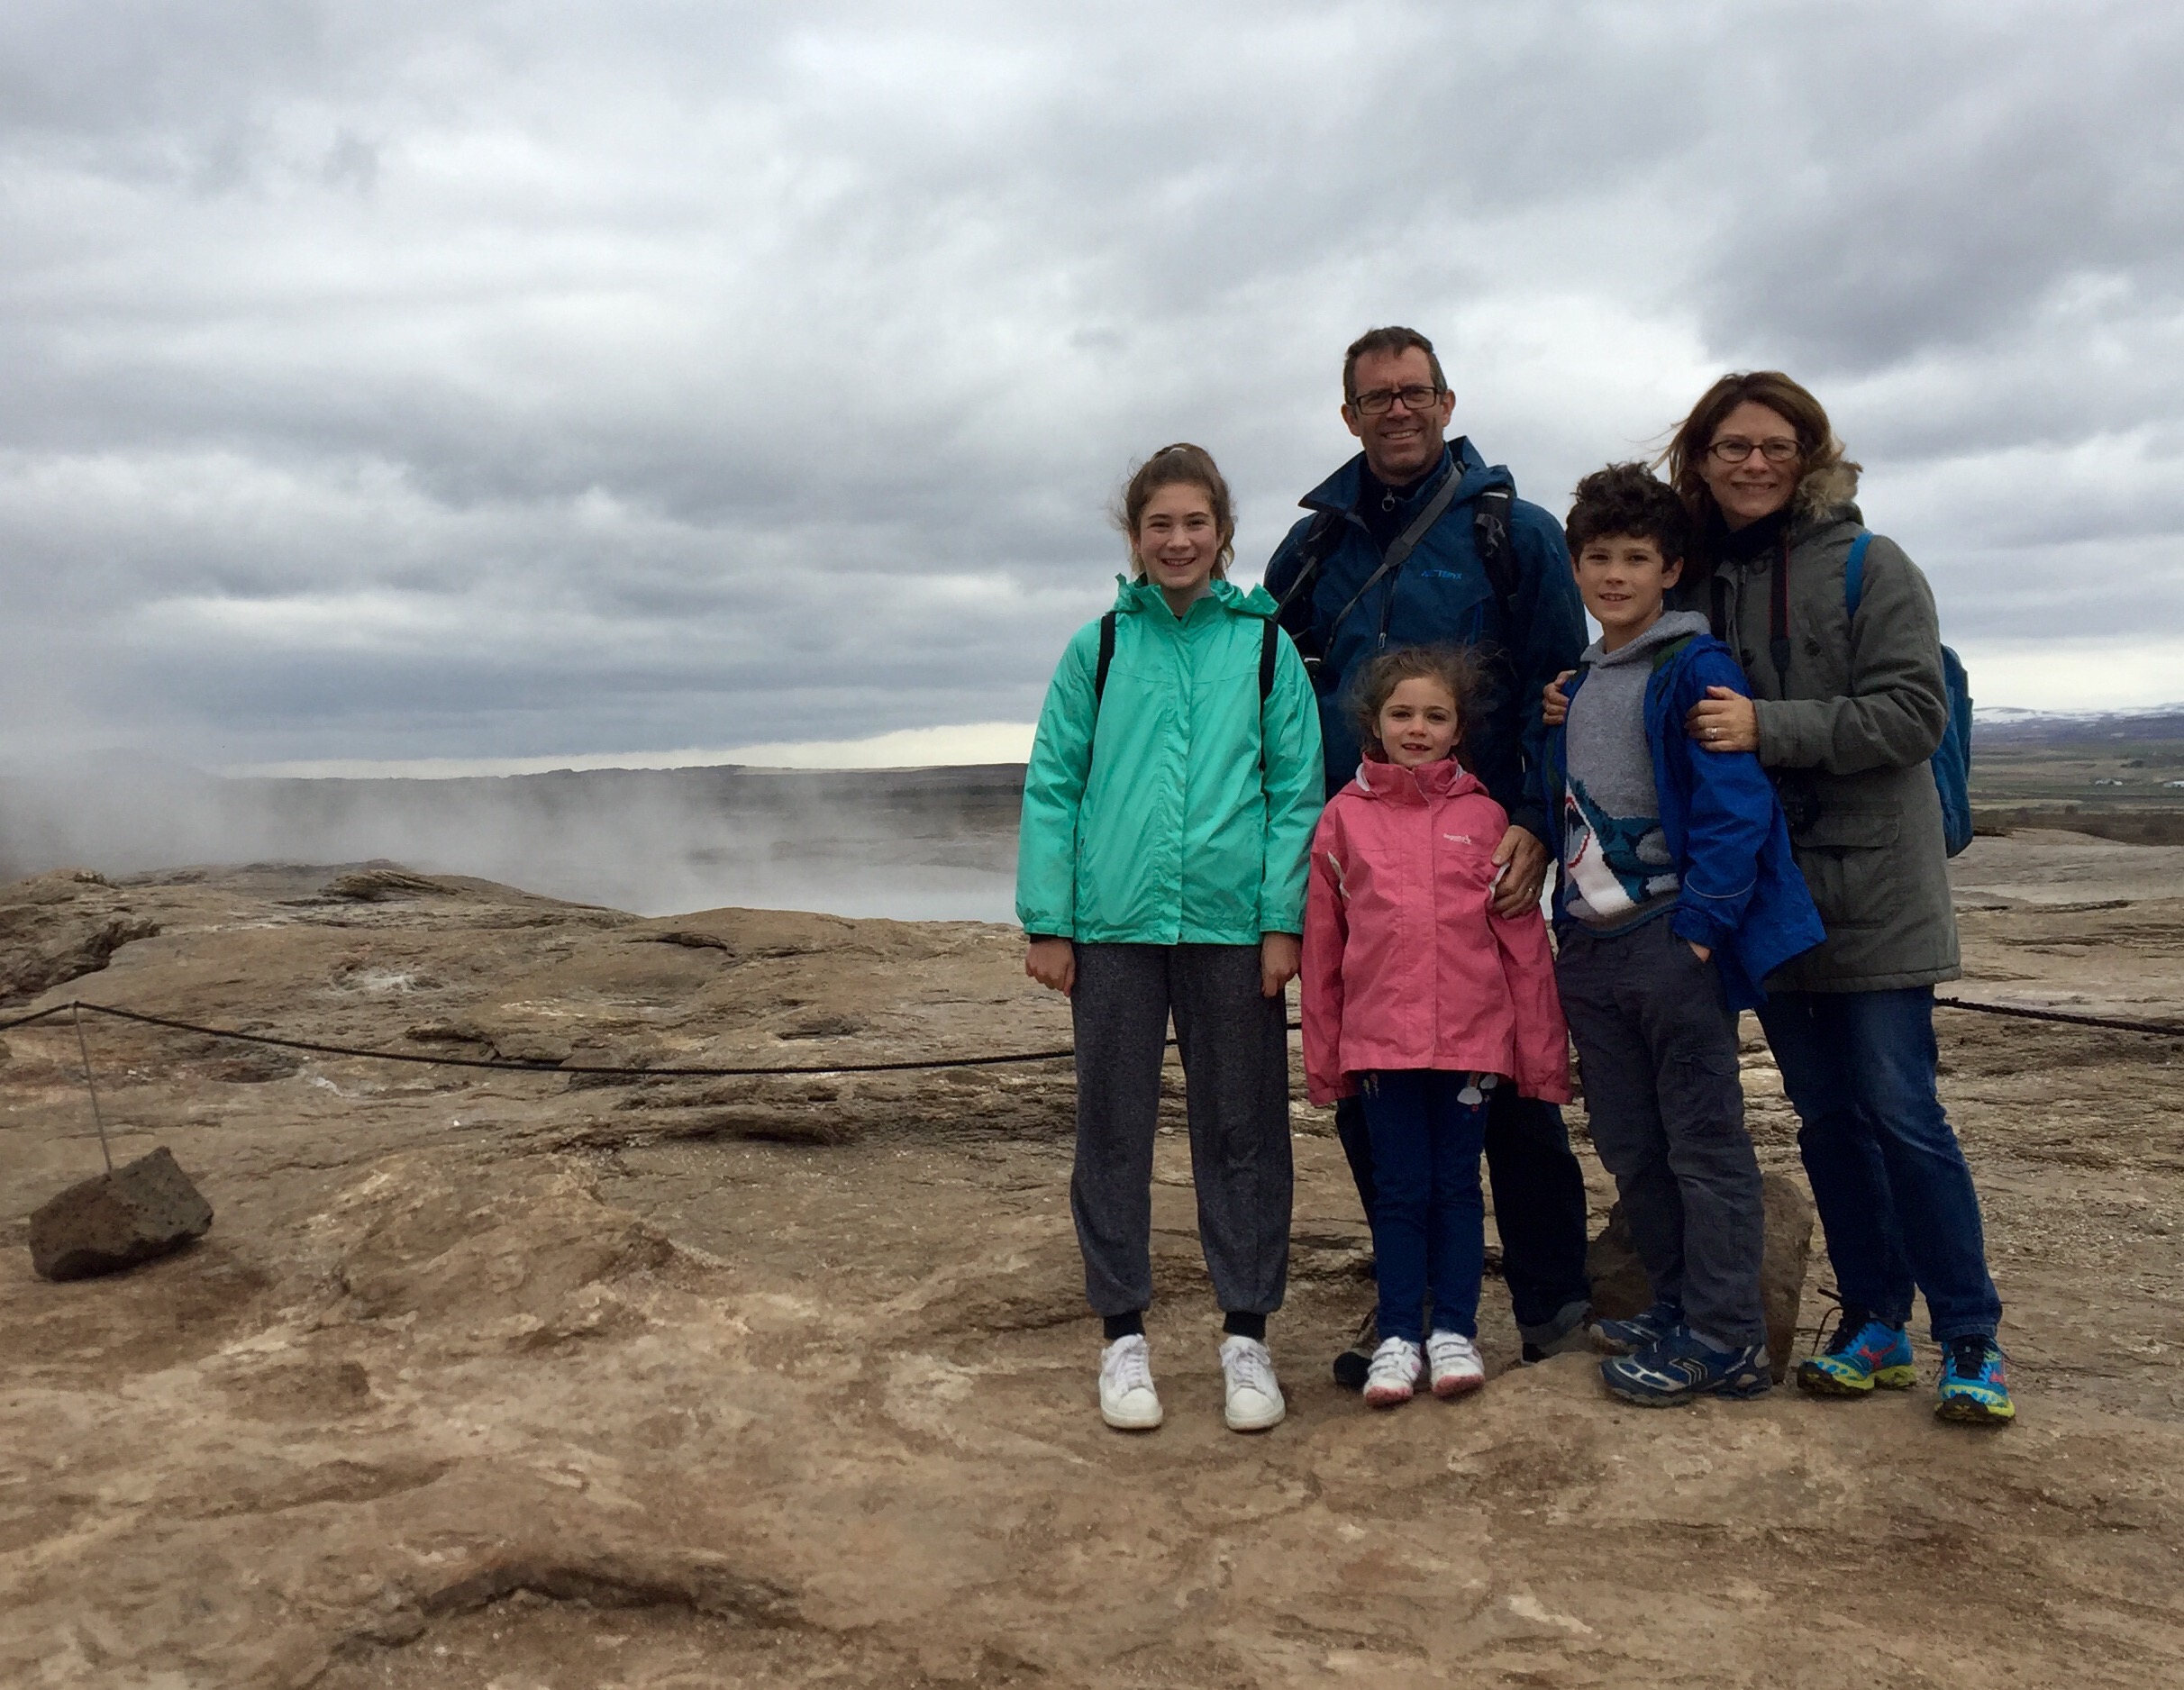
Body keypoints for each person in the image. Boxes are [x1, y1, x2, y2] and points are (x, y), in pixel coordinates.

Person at [1549, 373, 2012, 1424]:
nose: (1753, 463)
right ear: (1701, 459)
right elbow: (1654, 690)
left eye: (1775, 446)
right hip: (1771, 893)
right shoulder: (1707, 576)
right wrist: (1573, 698)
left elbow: (1913, 713)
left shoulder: (1870, 565)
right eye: (1731, 447)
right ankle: (1875, 1321)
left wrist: (1769, 726)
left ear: (1810, 455)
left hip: (1875, 884)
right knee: (1827, 1118)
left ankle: (1970, 1334)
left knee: (1902, 1110)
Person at [1264, 325, 1594, 1382]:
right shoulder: (1309, 552)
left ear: (1447, 404)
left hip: (1483, 852)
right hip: (1360, 860)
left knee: (1518, 1091)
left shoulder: (1516, 535)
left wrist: (1535, 819)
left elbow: (1562, 689)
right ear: (1349, 415)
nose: (1397, 410)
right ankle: (1405, 1308)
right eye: (1377, 397)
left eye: (1414, 392)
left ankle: (1554, 1305)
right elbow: (1271, 709)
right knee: (1380, 1103)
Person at [1016, 442, 1324, 1435]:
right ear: (1135, 536)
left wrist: (1283, 923)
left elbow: (1297, 795)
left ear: (1223, 533)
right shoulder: (1099, 647)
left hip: (1232, 930)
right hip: (1114, 926)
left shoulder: (1267, 648)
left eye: (1196, 523)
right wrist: (1049, 922)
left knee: (1245, 1132)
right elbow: (1055, 785)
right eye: (1161, 524)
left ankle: (1247, 1337)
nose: (1179, 541)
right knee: (1112, 1128)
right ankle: (1122, 1337)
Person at [1542, 463, 1825, 1405]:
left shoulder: (1695, 668)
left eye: (1636, 558)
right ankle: (1675, 1306)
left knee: (1704, 1146)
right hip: (1592, 948)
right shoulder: (1584, 680)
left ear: (1671, 570)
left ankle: (1728, 1337)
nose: (1614, 575)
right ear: (1576, 566)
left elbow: (1736, 809)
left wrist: (1700, 932)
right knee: (1631, 1143)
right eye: (1598, 557)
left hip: (1669, 940)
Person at [1301, 645, 1571, 1407]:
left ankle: (1454, 1331)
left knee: (1456, 1188)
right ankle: (1397, 1335)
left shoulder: (1486, 819)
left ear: (1459, 729)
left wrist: (1540, 1058)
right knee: (1398, 1189)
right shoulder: (1342, 820)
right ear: (1373, 723)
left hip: (1470, 1047)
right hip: (1380, 1047)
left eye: (1435, 716)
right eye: (1401, 714)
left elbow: (1524, 950)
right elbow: (1324, 948)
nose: (1417, 729)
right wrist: (1326, 1058)